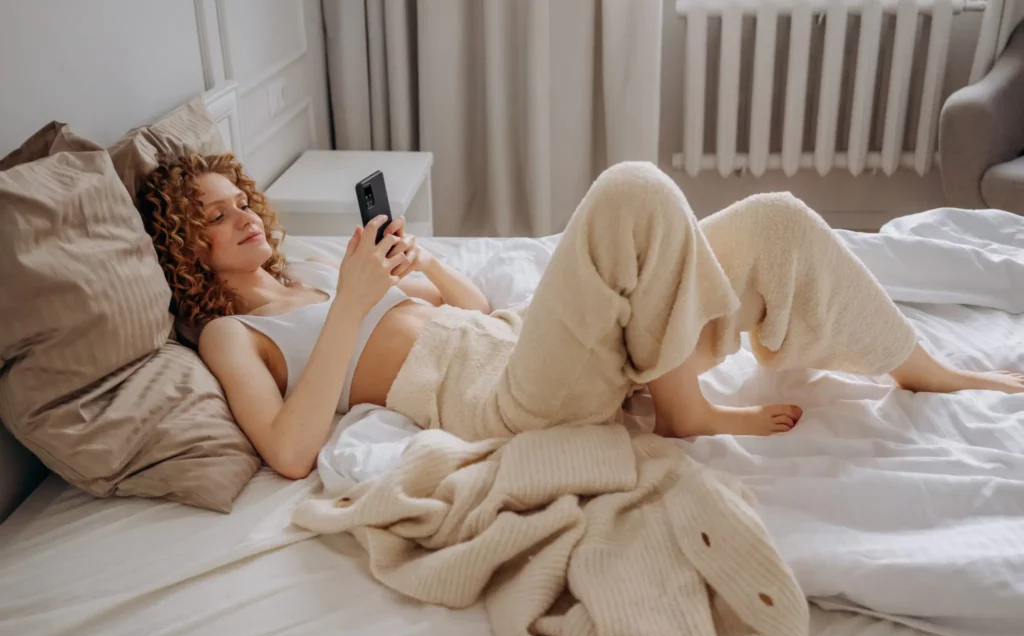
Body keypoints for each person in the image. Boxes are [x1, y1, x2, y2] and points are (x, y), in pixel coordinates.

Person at [141, 153, 1024, 480]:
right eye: (213, 217)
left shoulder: (308, 276)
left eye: (237, 198)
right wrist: (357, 306)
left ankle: (925, 367)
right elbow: (291, 451)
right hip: (495, 397)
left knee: (776, 223)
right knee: (633, 191)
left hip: (517, 341)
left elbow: (477, 306)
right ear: (190, 249)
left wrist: (418, 260)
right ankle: (682, 410)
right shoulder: (231, 334)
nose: (241, 215)